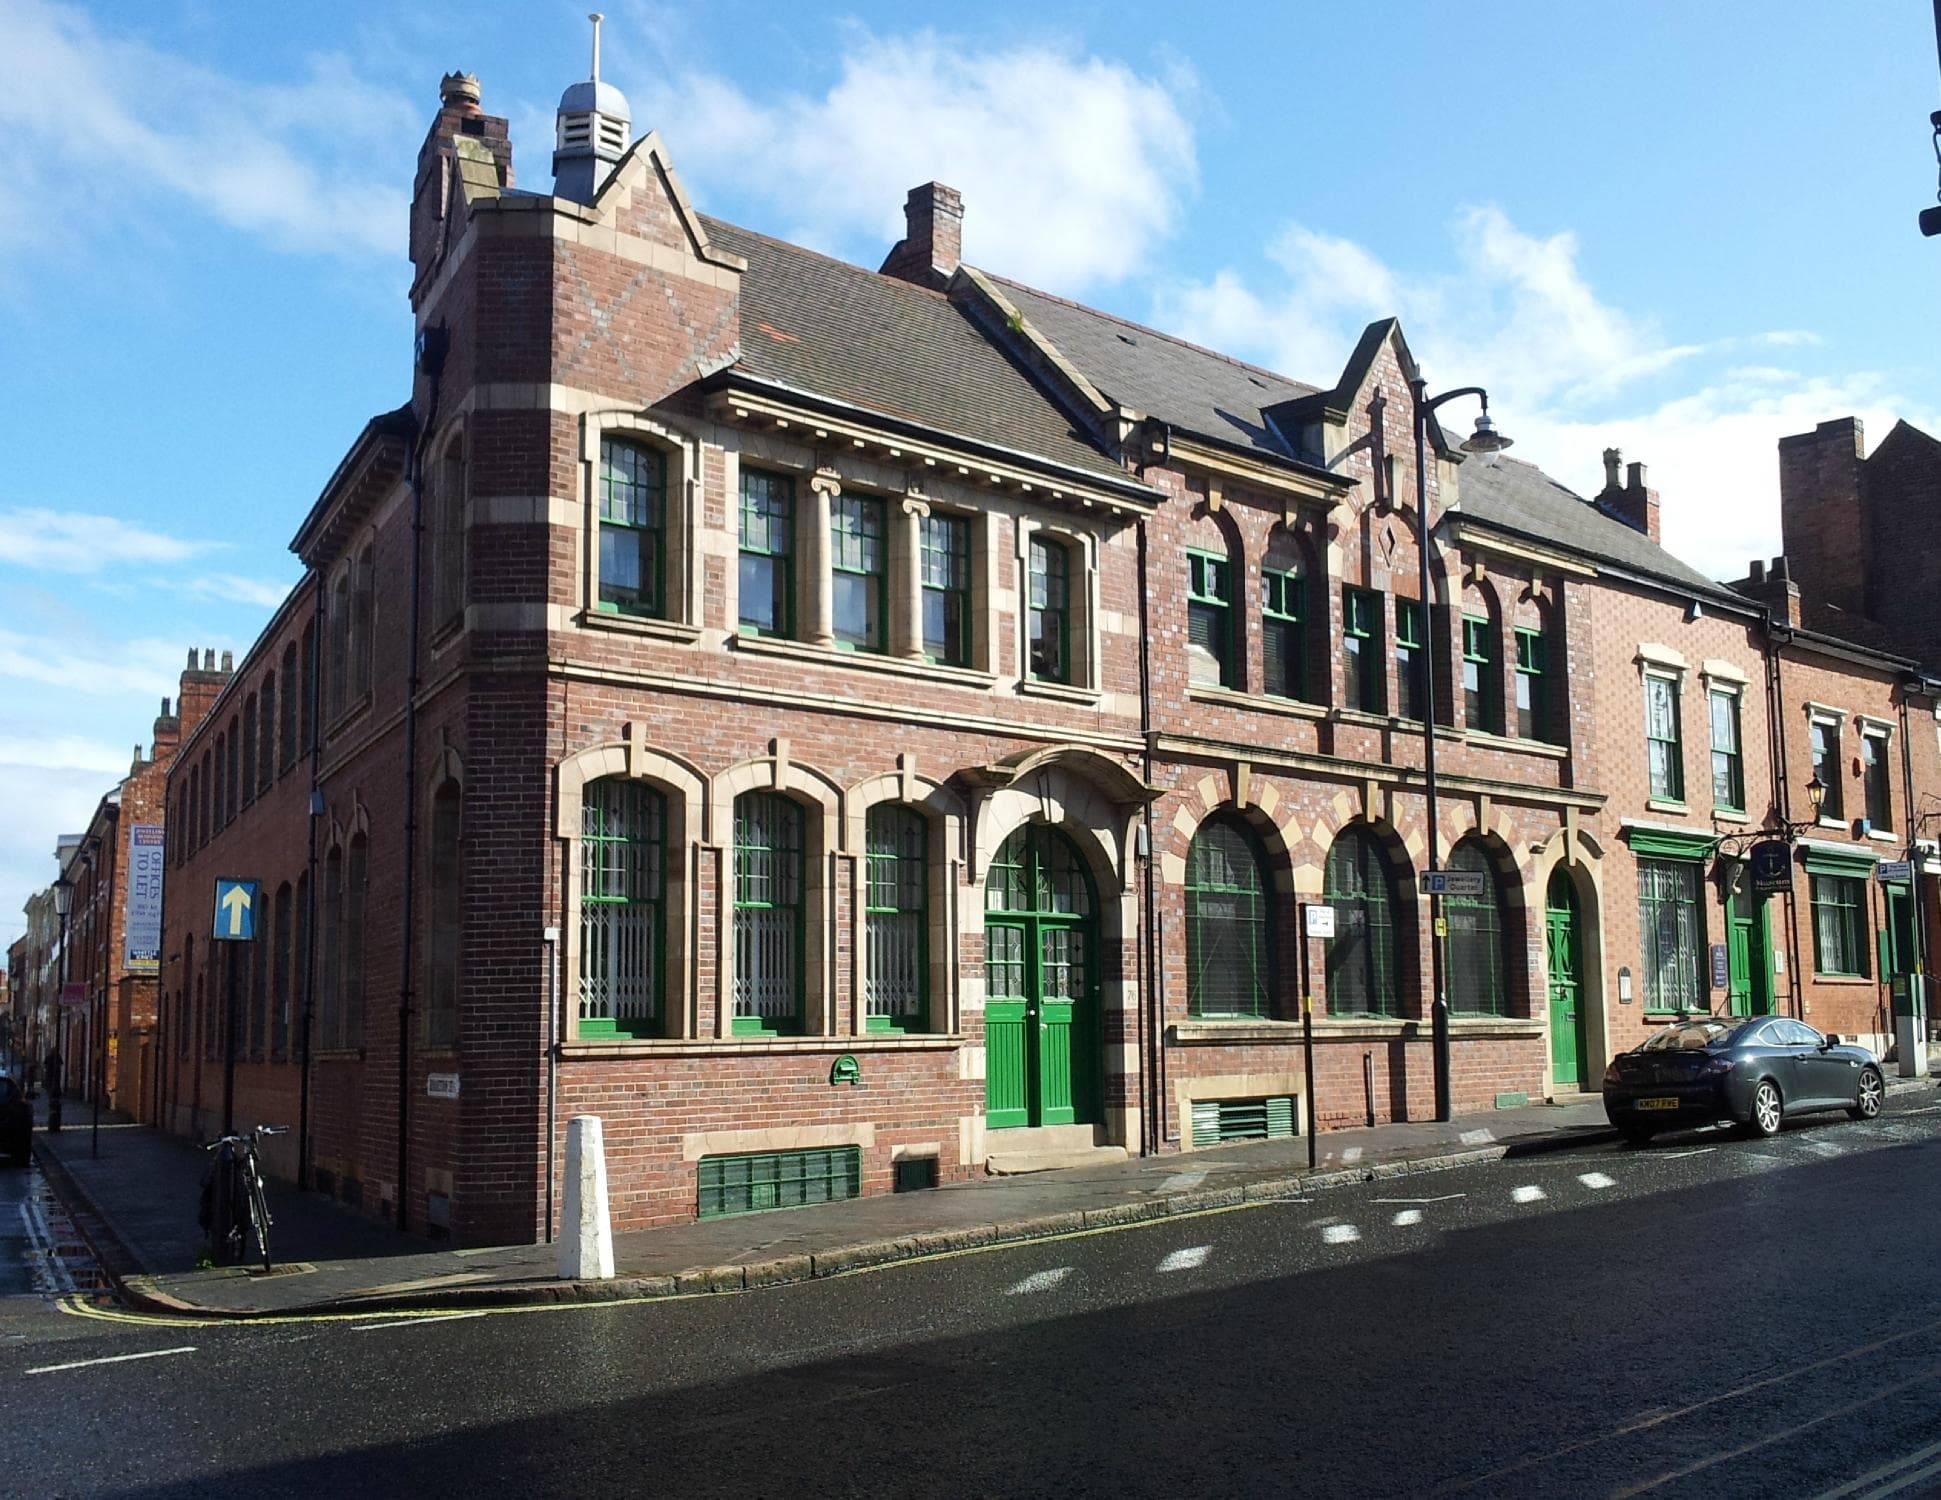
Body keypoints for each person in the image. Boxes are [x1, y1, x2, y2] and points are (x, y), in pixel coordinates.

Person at [43, 1046, 62, 1132]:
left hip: (50, 1078)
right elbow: (61, 1064)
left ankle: (53, 1104)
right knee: (54, 1092)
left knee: (51, 1091)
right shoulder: (57, 1056)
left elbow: (45, 1064)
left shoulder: (50, 1056)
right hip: (54, 1078)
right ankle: (54, 1104)